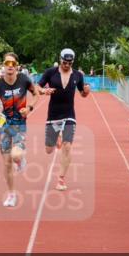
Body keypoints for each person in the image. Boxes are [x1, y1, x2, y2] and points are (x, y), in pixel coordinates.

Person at [0, 52, 39, 208]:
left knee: (15, 154)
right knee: (7, 163)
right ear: (3, 65)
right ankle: (11, 194)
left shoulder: (24, 80)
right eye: (7, 63)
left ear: (17, 66)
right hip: (4, 125)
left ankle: (21, 159)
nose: (10, 66)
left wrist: (29, 108)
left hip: (20, 124)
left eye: (13, 64)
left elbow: (36, 94)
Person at [36, 48, 90, 192]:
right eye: (64, 62)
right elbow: (37, 87)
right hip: (53, 114)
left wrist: (86, 91)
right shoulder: (50, 72)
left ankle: (61, 179)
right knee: (48, 149)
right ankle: (56, 140)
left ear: (73, 62)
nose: (66, 65)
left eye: (69, 62)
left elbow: (82, 93)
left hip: (69, 114)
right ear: (60, 60)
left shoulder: (78, 75)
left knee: (67, 146)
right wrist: (44, 91)